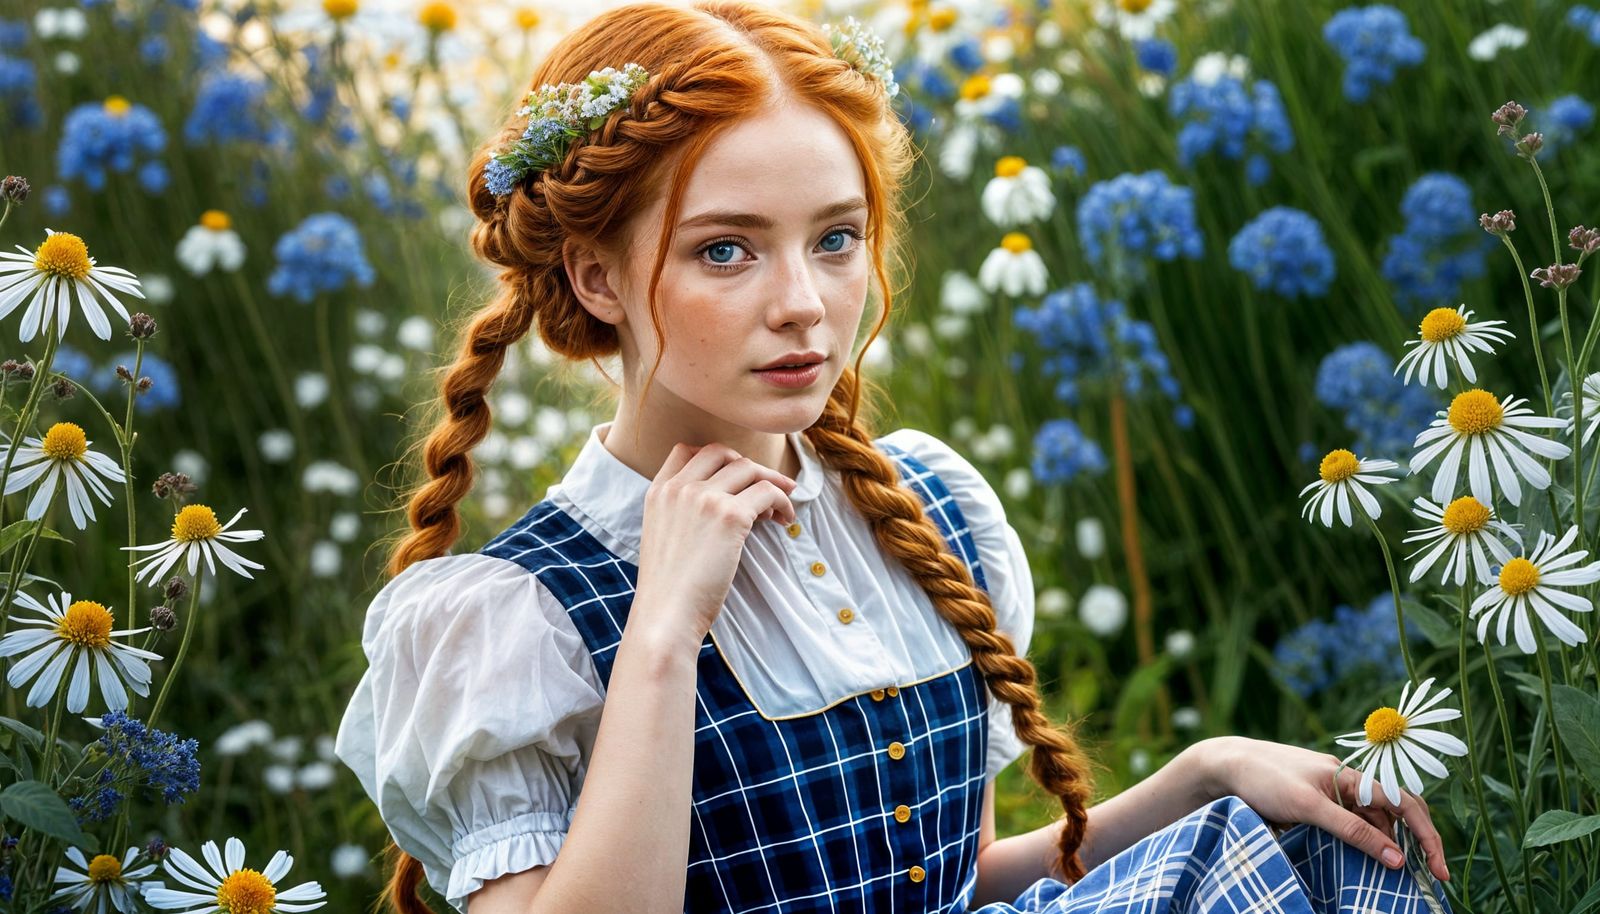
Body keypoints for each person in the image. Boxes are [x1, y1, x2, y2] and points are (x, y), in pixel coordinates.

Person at [333, 3, 1454, 913]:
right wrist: (664, 634)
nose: (802, 305)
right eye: (725, 249)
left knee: (1319, 851)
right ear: (594, 276)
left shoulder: (921, 509)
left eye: (833, 239)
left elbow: (949, 887)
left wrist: (1202, 774)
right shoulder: (520, 612)